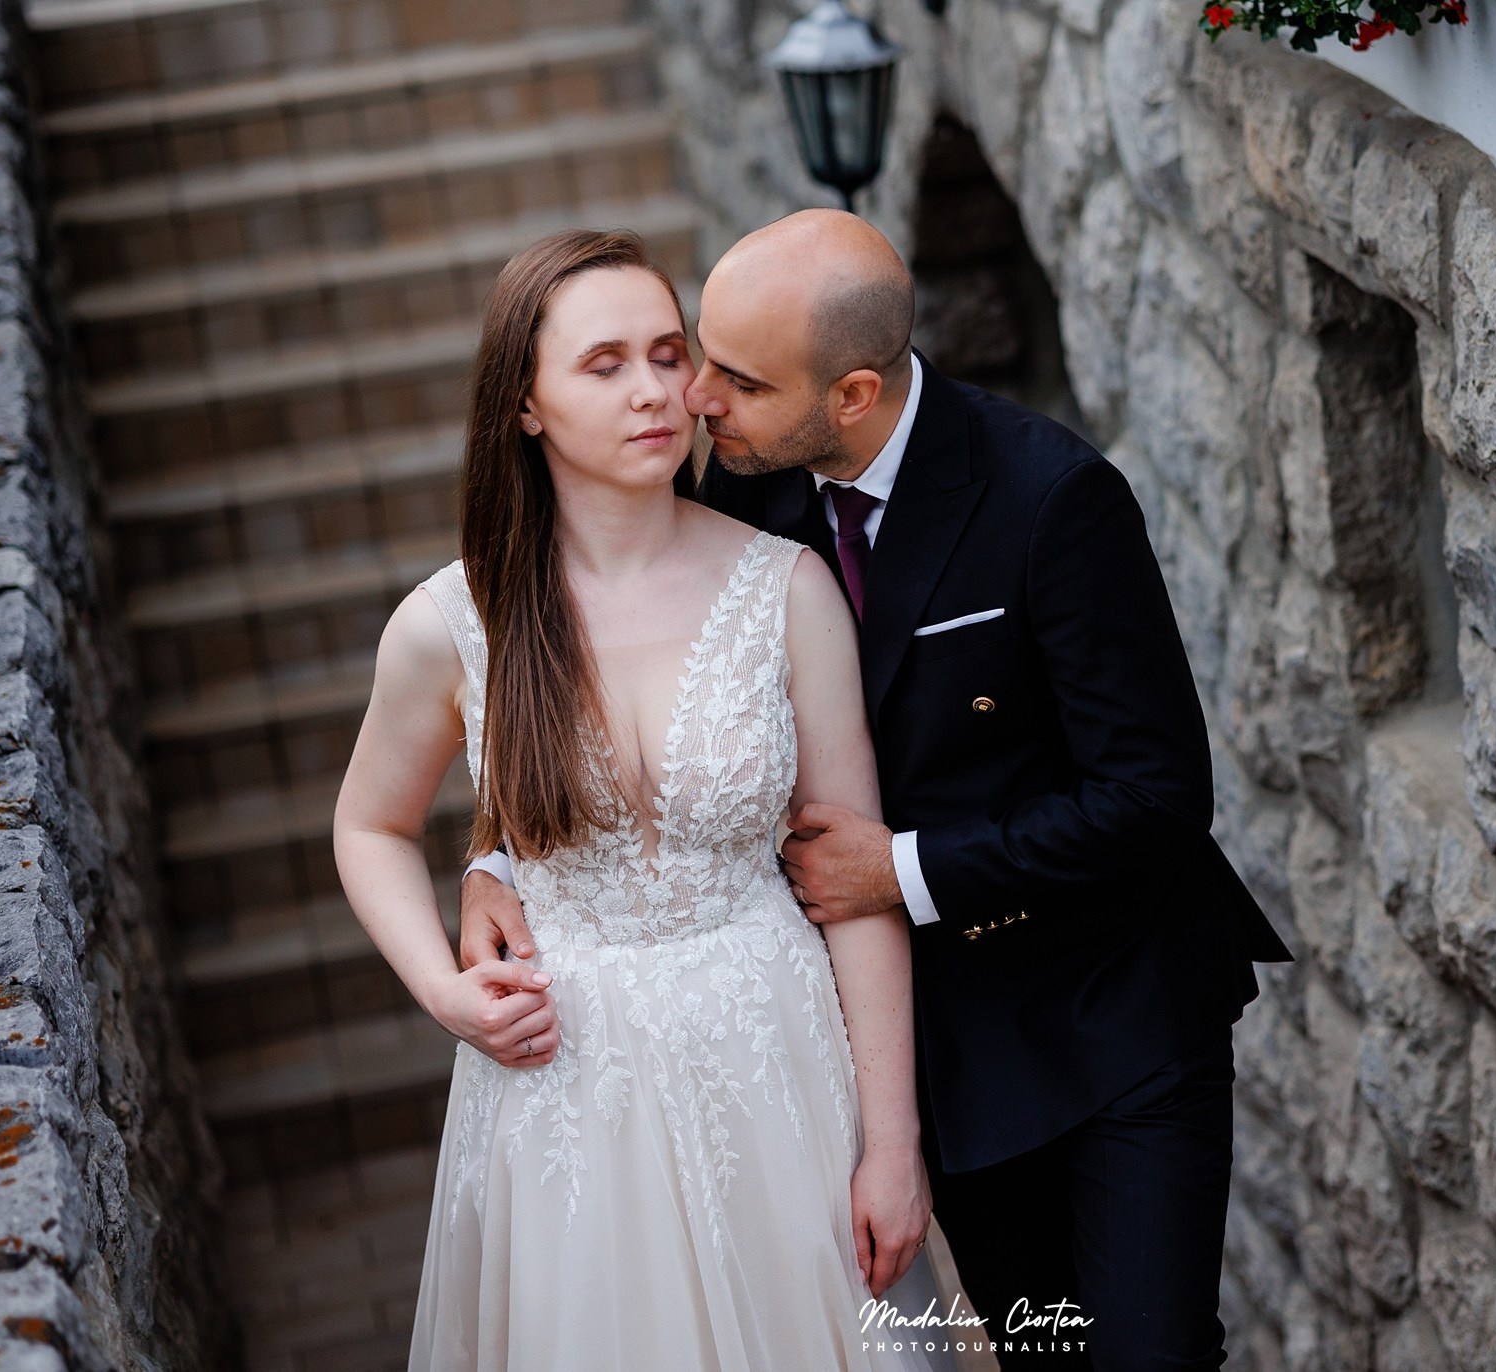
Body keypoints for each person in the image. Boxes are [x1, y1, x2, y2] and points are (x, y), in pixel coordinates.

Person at [461, 210, 1296, 1370]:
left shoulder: (1050, 499)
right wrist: (498, 860)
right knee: (1046, 1352)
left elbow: (1154, 798)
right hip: (946, 1053)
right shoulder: (752, 491)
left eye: (734, 378)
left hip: (1115, 1018)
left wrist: (900, 868)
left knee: (1148, 1356)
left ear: (849, 394)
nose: (696, 398)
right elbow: (630, 702)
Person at [332, 227, 954, 1371]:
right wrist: (441, 988)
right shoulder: (449, 623)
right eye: (604, 363)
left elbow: (856, 883)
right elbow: (367, 824)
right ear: (524, 404)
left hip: (778, 1060)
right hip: (569, 1087)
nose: (655, 390)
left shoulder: (787, 588)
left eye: (668, 354)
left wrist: (892, 1143)